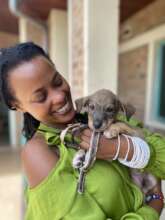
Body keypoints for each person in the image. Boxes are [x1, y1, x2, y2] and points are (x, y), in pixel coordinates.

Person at [0, 42, 165, 220]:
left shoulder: (102, 113)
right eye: (41, 97)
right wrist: (155, 205)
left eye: (57, 81)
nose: (59, 96)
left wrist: (126, 149)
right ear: (17, 106)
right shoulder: (39, 152)